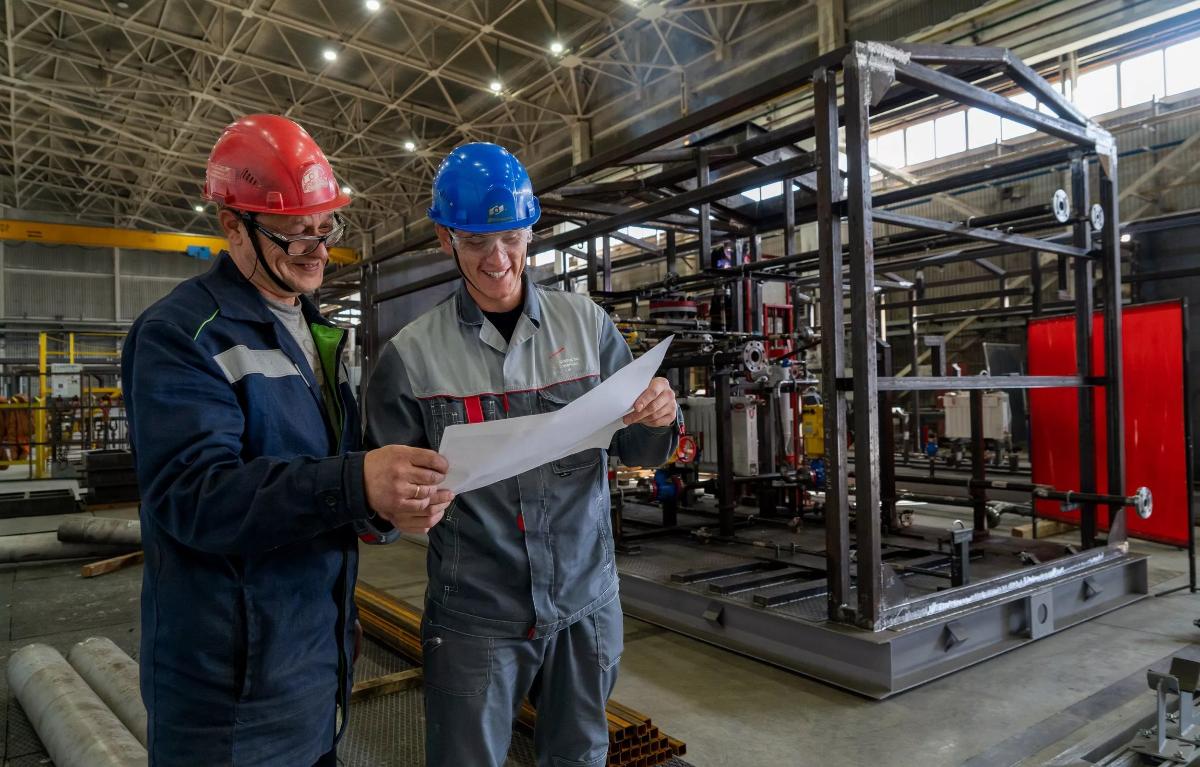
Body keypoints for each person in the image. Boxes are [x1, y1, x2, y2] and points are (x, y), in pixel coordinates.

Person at [122, 114, 452, 766]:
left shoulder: (316, 333)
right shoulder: (182, 336)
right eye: (292, 234)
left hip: (313, 663)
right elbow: (195, 497)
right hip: (225, 694)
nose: (317, 249)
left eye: (325, 227)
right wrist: (356, 480)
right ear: (229, 225)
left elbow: (328, 476)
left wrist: (381, 506)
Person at [364, 142, 682, 767]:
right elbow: (375, 500)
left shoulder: (588, 327)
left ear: (531, 228)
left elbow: (641, 448)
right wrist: (391, 512)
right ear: (444, 238)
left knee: (579, 756)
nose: (497, 259)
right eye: (477, 241)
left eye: (510, 236)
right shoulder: (409, 357)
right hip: (474, 617)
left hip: (585, 605)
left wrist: (659, 416)